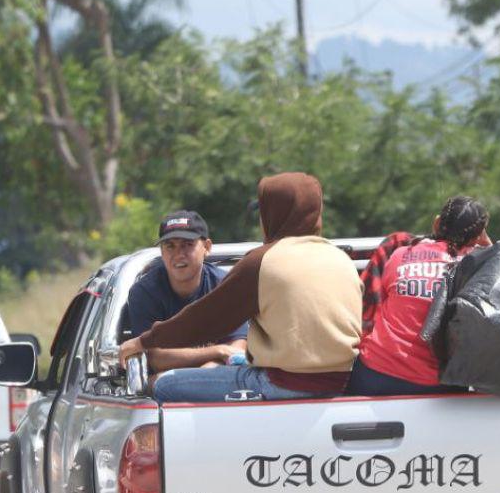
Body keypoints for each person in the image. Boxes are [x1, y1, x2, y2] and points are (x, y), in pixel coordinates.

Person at [119, 172, 362, 402]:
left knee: (164, 385)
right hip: (342, 383)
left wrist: (142, 342)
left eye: (263, 212)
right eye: (170, 246)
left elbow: (204, 320)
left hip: (281, 383)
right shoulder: (341, 259)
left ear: (274, 214)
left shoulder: (263, 261)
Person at [347, 196, 490, 396]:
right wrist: (484, 244)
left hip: (375, 374)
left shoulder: (400, 254)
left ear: (437, 223)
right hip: (437, 385)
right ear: (477, 238)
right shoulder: (477, 267)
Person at [125, 210, 248, 374]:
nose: (178, 254)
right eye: (170, 246)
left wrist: (205, 374)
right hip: (167, 390)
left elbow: (237, 349)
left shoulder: (226, 286)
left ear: (207, 247)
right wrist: (218, 352)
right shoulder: (145, 292)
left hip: (221, 380)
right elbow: (155, 359)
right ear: (161, 251)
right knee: (159, 382)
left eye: (187, 245)